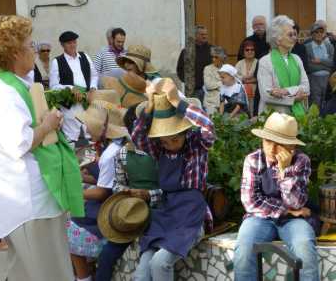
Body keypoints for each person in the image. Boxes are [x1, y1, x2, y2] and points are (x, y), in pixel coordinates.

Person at [0, 15, 84, 281]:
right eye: (29, 44)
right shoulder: (3, 93)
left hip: (28, 200)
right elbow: (17, 142)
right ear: (14, 52)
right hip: (27, 201)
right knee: (51, 273)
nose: (34, 50)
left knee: (26, 273)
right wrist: (47, 124)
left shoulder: (7, 87)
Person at [131, 78, 215, 281]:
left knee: (160, 263)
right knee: (142, 272)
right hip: (165, 213)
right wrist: (149, 108)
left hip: (191, 217)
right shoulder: (158, 149)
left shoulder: (197, 145)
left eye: (175, 139)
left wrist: (178, 102)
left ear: (185, 132)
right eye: (164, 140)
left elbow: (208, 126)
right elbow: (137, 137)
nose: (170, 144)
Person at [234, 112, 320, 281]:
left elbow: (296, 203)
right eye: (268, 142)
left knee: (305, 247)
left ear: (291, 146)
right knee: (244, 249)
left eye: (279, 144)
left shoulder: (301, 161)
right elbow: (251, 202)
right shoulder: (253, 160)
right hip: (258, 218)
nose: (271, 149)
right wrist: (285, 211)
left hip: (294, 221)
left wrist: (285, 171)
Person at [95, 104, 160, 281]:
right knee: (107, 255)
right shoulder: (123, 153)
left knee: (150, 260)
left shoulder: (162, 151)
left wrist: (149, 195)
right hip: (132, 213)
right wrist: (129, 192)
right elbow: (117, 185)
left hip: (160, 211)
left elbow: (173, 189)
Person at [69, 97, 128, 281]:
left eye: (89, 126)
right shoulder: (115, 145)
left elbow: (102, 192)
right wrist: (84, 179)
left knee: (70, 227)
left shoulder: (110, 154)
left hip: (111, 210)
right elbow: (104, 180)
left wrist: (74, 194)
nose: (86, 130)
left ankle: (83, 276)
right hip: (113, 202)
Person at [49, 31, 98, 145]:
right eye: (68, 43)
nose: (72, 45)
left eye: (74, 42)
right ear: (62, 45)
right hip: (70, 105)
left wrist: (93, 88)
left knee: (90, 134)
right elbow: (53, 86)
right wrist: (70, 88)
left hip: (87, 101)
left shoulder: (85, 56)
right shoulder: (57, 61)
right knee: (71, 138)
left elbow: (94, 75)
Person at [257, 15, 310, 117]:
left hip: (297, 116)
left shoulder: (297, 59)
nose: (295, 38)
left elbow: (306, 88)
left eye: (294, 34)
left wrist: (286, 91)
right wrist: (293, 99)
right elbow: (266, 95)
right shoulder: (265, 61)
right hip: (274, 118)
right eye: (290, 35)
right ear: (278, 39)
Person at [238, 15, 271, 116]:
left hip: (268, 79)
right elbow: (240, 60)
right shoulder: (247, 41)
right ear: (252, 27)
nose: (258, 27)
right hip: (249, 86)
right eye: (256, 25)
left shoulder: (271, 40)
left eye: (261, 24)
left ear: (266, 25)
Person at [176, 25, 212, 102]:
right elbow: (180, 69)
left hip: (210, 89)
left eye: (206, 34)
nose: (205, 36)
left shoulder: (212, 50)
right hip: (193, 90)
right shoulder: (187, 51)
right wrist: (187, 81)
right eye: (202, 34)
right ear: (196, 36)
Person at [305, 22, 334, 110]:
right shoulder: (307, 47)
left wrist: (320, 61)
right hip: (314, 79)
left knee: (326, 103)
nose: (319, 34)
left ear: (324, 34)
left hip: (328, 79)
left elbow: (332, 63)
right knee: (315, 104)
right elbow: (309, 66)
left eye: (321, 32)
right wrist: (326, 65)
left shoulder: (329, 46)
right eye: (316, 32)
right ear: (312, 34)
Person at [235, 40, 258, 116]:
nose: (250, 51)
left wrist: (245, 80)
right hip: (242, 93)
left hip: (256, 93)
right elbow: (234, 77)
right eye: (247, 50)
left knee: (254, 113)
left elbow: (259, 78)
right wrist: (248, 78)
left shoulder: (259, 62)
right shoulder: (239, 63)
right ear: (243, 52)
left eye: (252, 49)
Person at [203, 46, 226, 115]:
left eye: (216, 57)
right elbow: (208, 85)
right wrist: (221, 83)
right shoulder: (207, 69)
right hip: (211, 102)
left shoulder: (227, 68)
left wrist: (216, 84)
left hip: (225, 102)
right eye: (212, 57)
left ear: (222, 58)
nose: (213, 59)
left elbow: (232, 83)